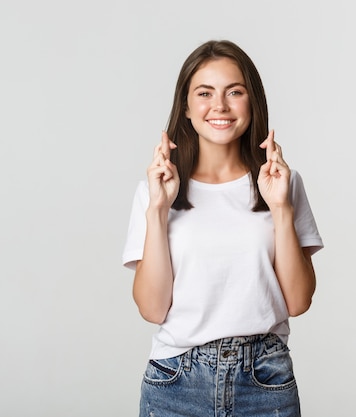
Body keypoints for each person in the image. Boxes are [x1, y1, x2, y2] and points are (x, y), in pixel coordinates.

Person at [122, 39, 324, 417]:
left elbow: (298, 302)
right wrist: (157, 211)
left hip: (265, 380)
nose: (220, 106)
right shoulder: (156, 191)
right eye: (204, 93)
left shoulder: (281, 183)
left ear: (252, 102)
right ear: (185, 106)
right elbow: (152, 308)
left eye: (234, 91)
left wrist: (279, 207)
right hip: (176, 381)